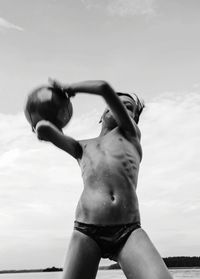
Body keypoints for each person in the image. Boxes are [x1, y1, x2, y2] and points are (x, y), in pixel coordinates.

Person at [35, 80, 173, 279]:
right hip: (86, 229)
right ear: (102, 116)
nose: (122, 108)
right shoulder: (81, 147)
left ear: (133, 119)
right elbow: (44, 130)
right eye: (117, 104)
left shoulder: (130, 135)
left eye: (129, 108)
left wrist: (70, 88)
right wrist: (42, 120)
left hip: (128, 230)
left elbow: (103, 88)